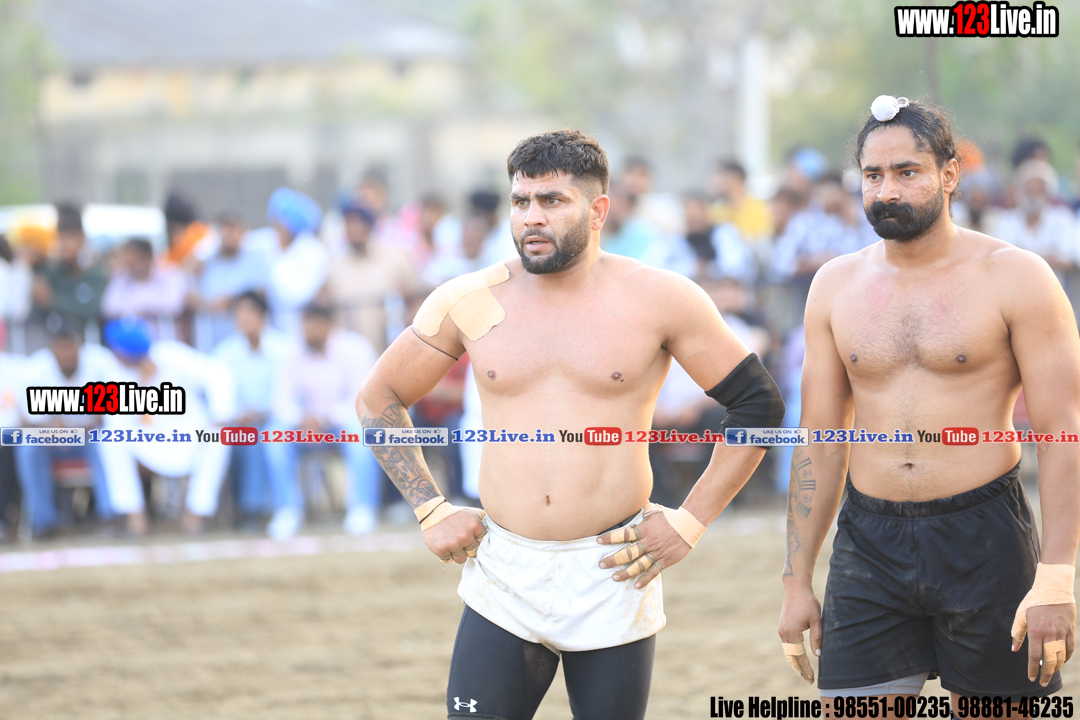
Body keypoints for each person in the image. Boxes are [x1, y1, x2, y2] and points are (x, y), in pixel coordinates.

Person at [357, 129, 784, 720]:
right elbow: (378, 397)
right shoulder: (470, 298)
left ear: (598, 210)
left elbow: (758, 406)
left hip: (615, 568)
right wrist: (430, 508)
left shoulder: (660, 298)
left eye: (552, 200)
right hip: (503, 572)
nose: (531, 217)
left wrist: (689, 522)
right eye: (520, 201)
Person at [778, 97, 1080, 700]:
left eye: (906, 171)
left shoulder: (1016, 276)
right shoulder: (834, 285)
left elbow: (1062, 433)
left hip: (984, 536)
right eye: (872, 175)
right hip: (869, 541)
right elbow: (820, 439)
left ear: (949, 174)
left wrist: (1056, 576)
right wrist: (796, 580)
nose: (886, 190)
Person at [99, 317, 235, 535]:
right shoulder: (115, 375)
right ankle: (135, 518)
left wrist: (220, 414)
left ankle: (196, 515)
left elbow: (217, 373)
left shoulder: (171, 356)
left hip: (189, 436)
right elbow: (116, 422)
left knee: (219, 437)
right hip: (148, 443)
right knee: (110, 440)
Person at [265, 304, 379, 539]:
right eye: (305, 324)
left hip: (342, 424)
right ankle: (288, 510)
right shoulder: (291, 352)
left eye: (314, 324)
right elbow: (280, 401)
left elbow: (363, 399)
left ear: (329, 325)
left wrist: (325, 417)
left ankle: (362, 508)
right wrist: (301, 418)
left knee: (361, 432)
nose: (308, 330)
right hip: (304, 427)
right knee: (274, 435)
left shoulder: (355, 349)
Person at [15, 322, 120, 537]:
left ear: (80, 346)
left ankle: (109, 516)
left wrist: (75, 428)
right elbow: (23, 418)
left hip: (89, 436)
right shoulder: (36, 368)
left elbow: (113, 413)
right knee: (27, 447)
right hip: (49, 439)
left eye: (70, 348)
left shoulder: (100, 363)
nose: (66, 355)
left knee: (107, 441)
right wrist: (50, 427)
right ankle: (43, 523)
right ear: (52, 349)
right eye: (61, 349)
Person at [213, 291, 290, 523]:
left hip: (276, 417)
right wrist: (237, 414)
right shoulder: (224, 353)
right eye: (239, 313)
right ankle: (243, 509)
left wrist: (262, 412)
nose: (244, 318)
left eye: (250, 312)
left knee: (261, 434)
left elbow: (287, 392)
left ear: (263, 315)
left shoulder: (284, 349)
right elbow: (220, 394)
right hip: (239, 421)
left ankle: (254, 509)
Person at [324, 201, 417, 355]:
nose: (354, 228)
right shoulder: (334, 268)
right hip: (348, 358)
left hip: (389, 354)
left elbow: (414, 303)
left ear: (369, 225)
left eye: (359, 222)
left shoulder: (394, 262)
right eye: (349, 222)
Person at [265, 187, 328, 335]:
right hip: (281, 330)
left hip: (306, 330)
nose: (275, 229)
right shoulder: (277, 247)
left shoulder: (310, 250)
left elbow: (293, 293)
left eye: (278, 223)